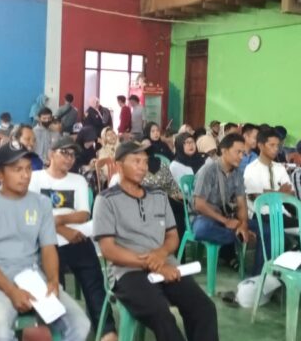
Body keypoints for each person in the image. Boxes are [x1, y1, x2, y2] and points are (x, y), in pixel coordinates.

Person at [93, 141, 218, 341]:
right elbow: (109, 250)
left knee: (204, 308)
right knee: (162, 316)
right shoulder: (106, 200)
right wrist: (154, 265)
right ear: (119, 165)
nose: (143, 167)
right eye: (136, 161)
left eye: (145, 161)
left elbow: (172, 236)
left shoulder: (159, 196)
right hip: (128, 271)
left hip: (166, 264)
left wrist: (161, 254)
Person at [0, 141, 91, 341]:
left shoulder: (41, 203)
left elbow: (48, 248)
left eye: (28, 169)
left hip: (34, 278)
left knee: (80, 324)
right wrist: (11, 291)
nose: (25, 175)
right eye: (17, 170)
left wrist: (53, 281)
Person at [29, 137, 117, 341]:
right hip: (46, 242)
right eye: (65, 153)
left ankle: (107, 329)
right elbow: (32, 214)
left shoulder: (78, 180)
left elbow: (84, 214)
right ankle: (61, 331)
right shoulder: (35, 178)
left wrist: (58, 221)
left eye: (73, 155)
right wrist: (63, 230)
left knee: (94, 282)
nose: (70, 159)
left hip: (76, 238)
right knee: (55, 286)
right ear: (51, 154)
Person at [192, 134, 265, 275]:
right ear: (224, 151)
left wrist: (243, 224)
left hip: (226, 216)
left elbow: (241, 203)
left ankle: (258, 275)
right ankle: (238, 238)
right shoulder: (208, 170)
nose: (241, 157)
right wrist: (226, 222)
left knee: (265, 229)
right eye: (238, 152)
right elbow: (199, 204)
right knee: (202, 229)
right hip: (206, 216)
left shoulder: (237, 173)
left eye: (243, 153)